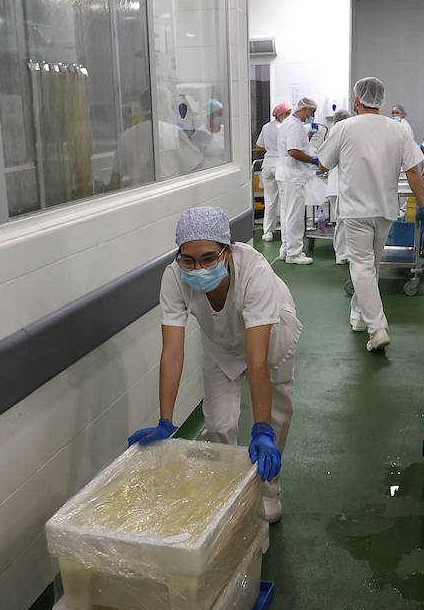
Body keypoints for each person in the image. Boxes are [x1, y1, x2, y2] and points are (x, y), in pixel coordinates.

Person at [127, 206, 302, 523]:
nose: (197, 269)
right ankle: (230, 495)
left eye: (209, 258)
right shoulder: (174, 278)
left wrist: (260, 428)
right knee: (219, 426)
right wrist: (166, 420)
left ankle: (269, 488)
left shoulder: (255, 272)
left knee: (275, 420)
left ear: (228, 250)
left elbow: (257, 361)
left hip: (272, 334)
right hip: (219, 342)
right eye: (188, 260)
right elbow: (172, 352)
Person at [317, 76, 424, 353]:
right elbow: (414, 171)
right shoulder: (399, 129)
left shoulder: (344, 127)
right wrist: (423, 204)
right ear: (381, 100)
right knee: (371, 267)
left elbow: (322, 164)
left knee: (362, 268)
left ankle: (378, 328)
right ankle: (358, 317)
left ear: (357, 101)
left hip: (356, 211)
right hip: (385, 209)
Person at [276, 96, 321, 265]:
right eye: (312, 112)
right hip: (293, 176)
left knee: (287, 214)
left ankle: (286, 249)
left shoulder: (289, 123)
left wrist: (307, 137)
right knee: (294, 216)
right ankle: (294, 254)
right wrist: (313, 160)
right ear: (304, 109)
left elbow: (296, 146)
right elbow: (294, 151)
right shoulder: (294, 125)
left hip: (285, 175)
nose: (312, 115)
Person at [255, 103, 291, 242]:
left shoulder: (266, 126)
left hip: (267, 165)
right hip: (280, 166)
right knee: (284, 201)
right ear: (281, 114)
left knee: (270, 200)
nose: (289, 116)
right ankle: (285, 234)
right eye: (287, 113)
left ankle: (267, 232)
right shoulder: (286, 127)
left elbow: (259, 145)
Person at [325, 109, 355, 265]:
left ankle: (344, 253)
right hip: (339, 185)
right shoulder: (340, 133)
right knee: (343, 221)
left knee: (344, 221)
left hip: (338, 185)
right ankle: (342, 254)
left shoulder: (336, 133)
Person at [194, 98, 228, 166]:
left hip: (224, 169)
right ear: (210, 115)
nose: (222, 117)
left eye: (222, 114)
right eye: (219, 114)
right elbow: (195, 158)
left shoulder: (225, 130)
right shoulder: (200, 133)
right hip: (208, 171)